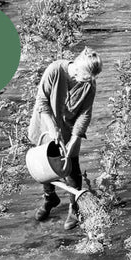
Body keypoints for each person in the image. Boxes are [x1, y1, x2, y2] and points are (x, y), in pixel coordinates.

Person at [27, 47, 102, 230]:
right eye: (85, 77)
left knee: (71, 167)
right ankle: (50, 198)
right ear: (76, 68)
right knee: (44, 165)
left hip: (69, 129)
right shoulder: (55, 70)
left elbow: (85, 114)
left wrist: (75, 138)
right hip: (46, 124)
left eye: (91, 79)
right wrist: (53, 129)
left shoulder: (89, 84)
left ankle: (74, 208)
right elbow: (42, 101)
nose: (88, 82)